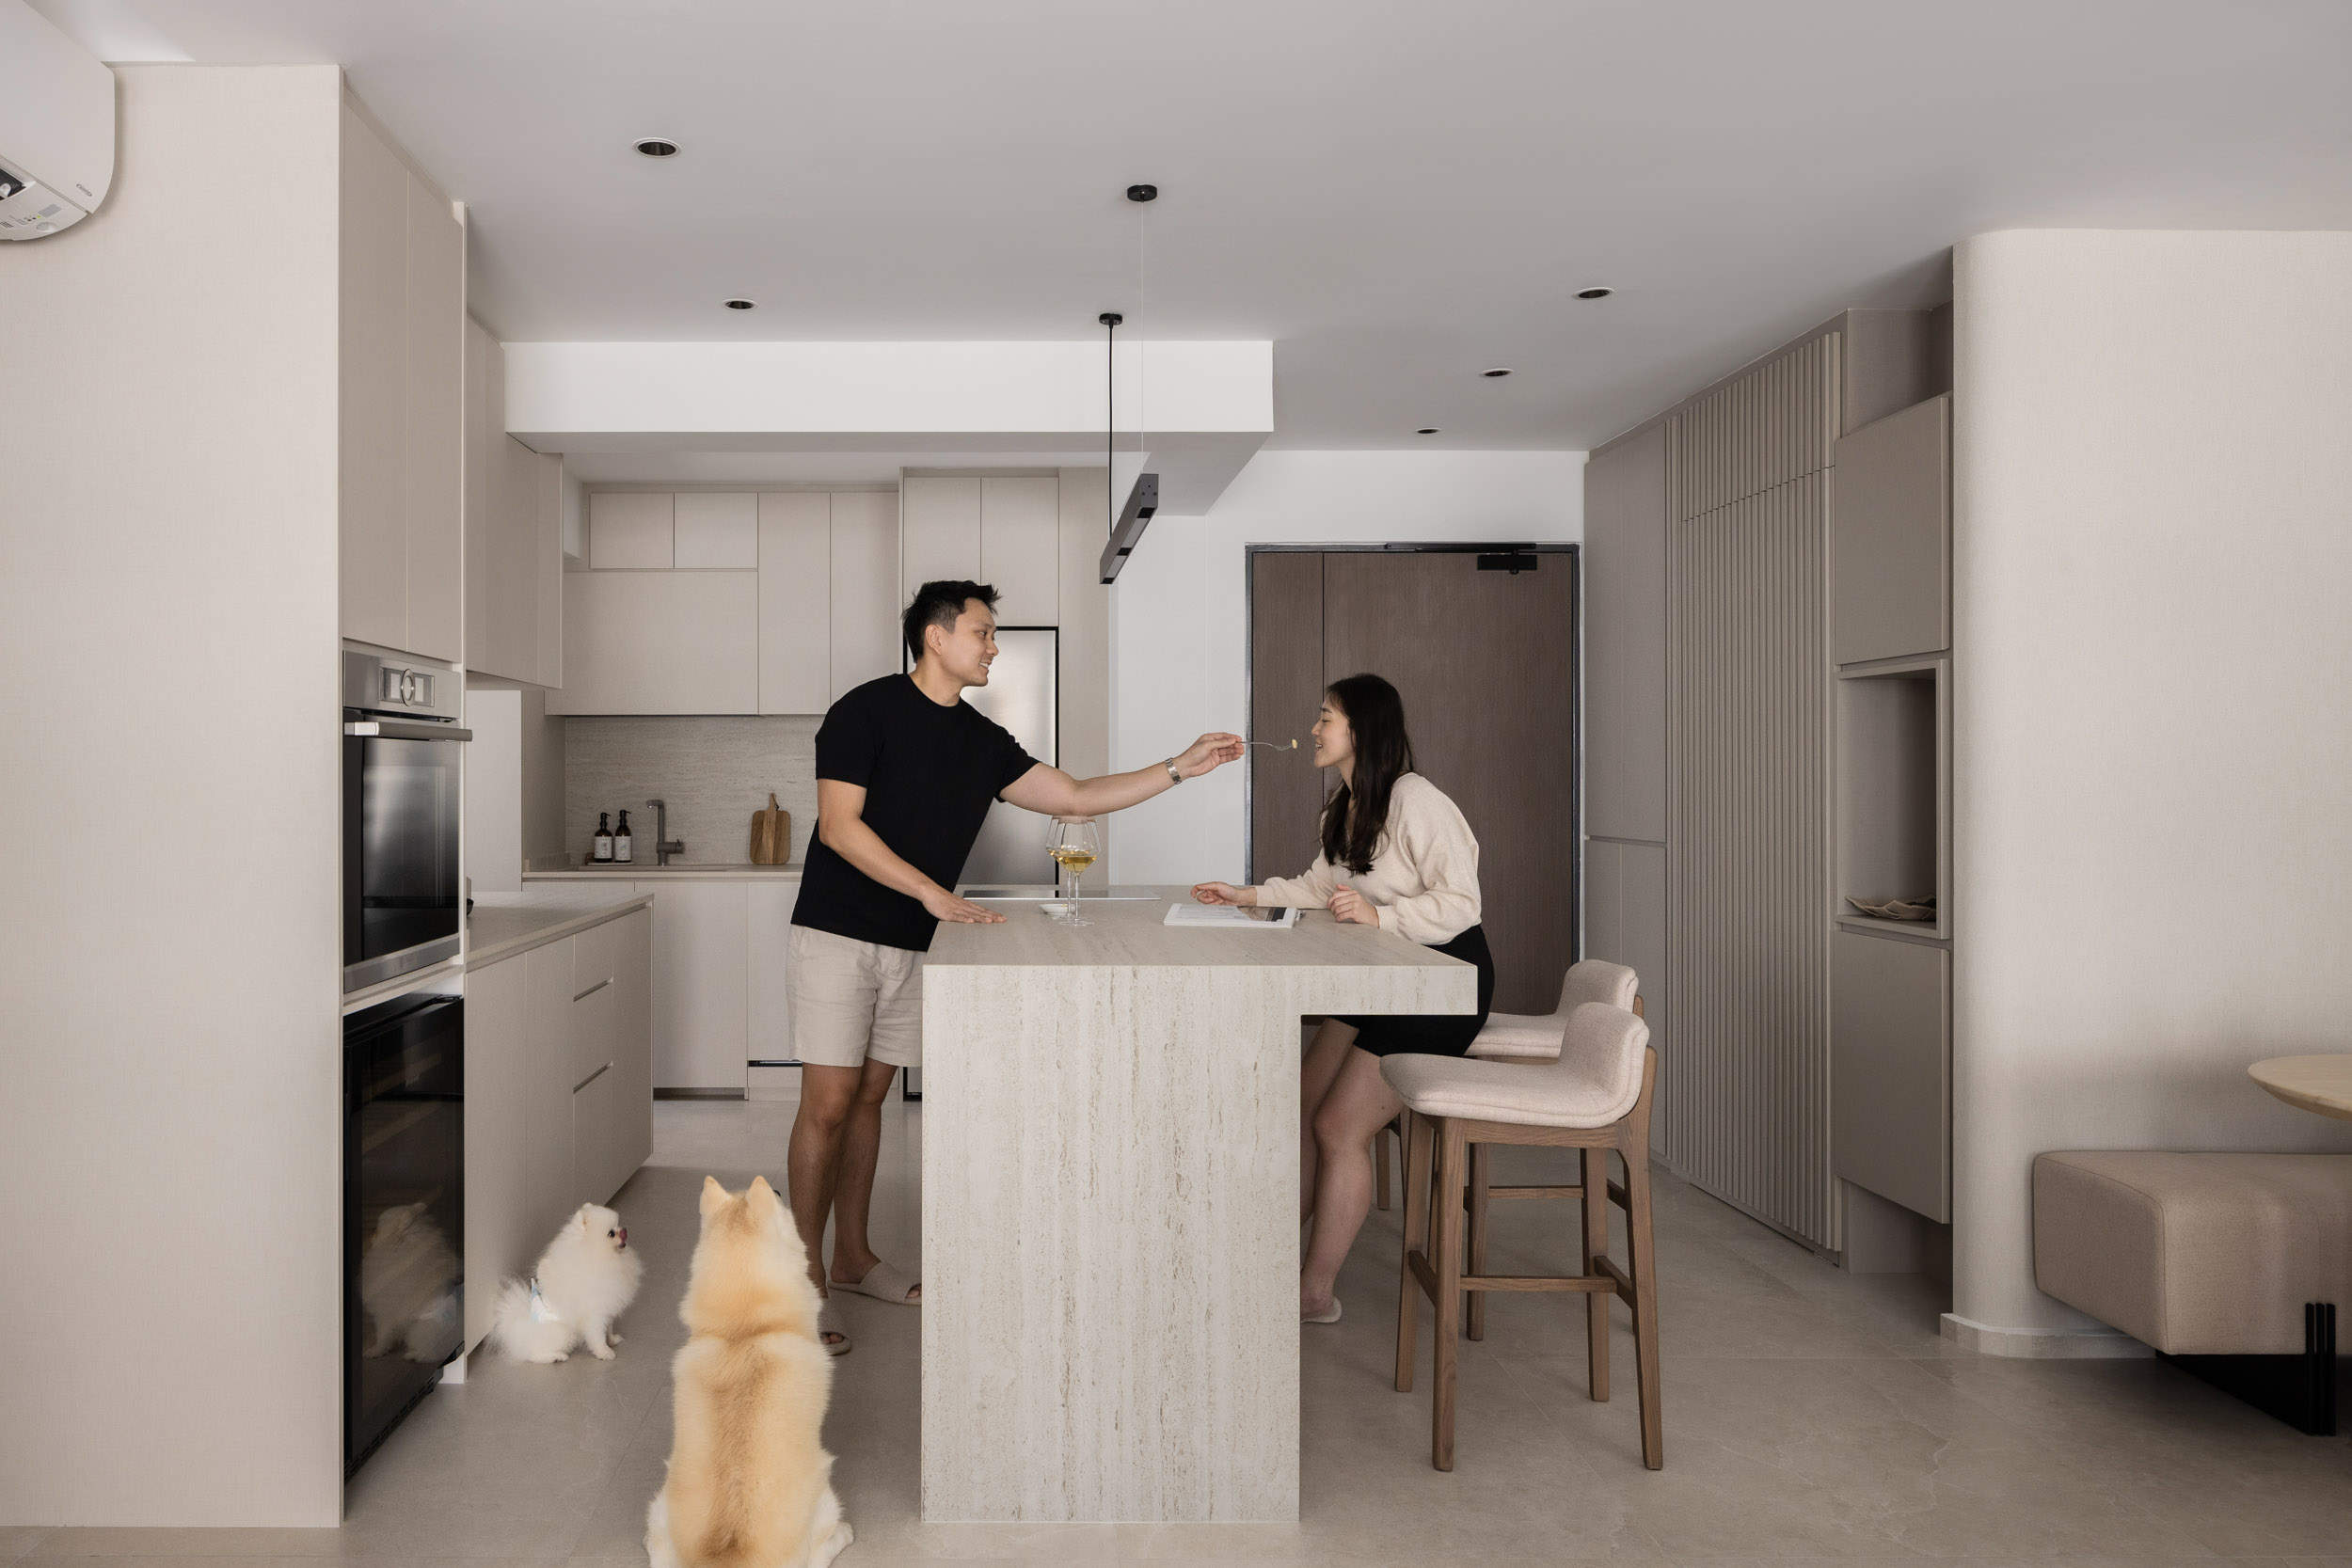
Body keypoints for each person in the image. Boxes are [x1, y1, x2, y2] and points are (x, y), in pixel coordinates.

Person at [787, 578, 1244, 1353]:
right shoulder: (862, 711)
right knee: (828, 1105)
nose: (994, 646)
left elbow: (1075, 796)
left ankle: (854, 1257)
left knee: (869, 1098)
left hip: (915, 938)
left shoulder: (981, 739)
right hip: (840, 930)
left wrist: (1180, 766)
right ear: (936, 636)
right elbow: (839, 827)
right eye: (983, 632)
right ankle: (800, 1284)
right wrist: (932, 891)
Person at [1191, 673, 1491, 1323]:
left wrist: (1383, 917)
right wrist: (1244, 895)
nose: (1315, 728)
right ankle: (1268, 1260)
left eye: (1326, 716)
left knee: (1336, 1125)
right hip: (1379, 976)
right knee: (1301, 1104)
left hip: (1440, 981)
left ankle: (1314, 1292)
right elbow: (1316, 888)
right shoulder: (1345, 805)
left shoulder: (1416, 799)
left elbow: (1463, 903)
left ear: (1362, 729)